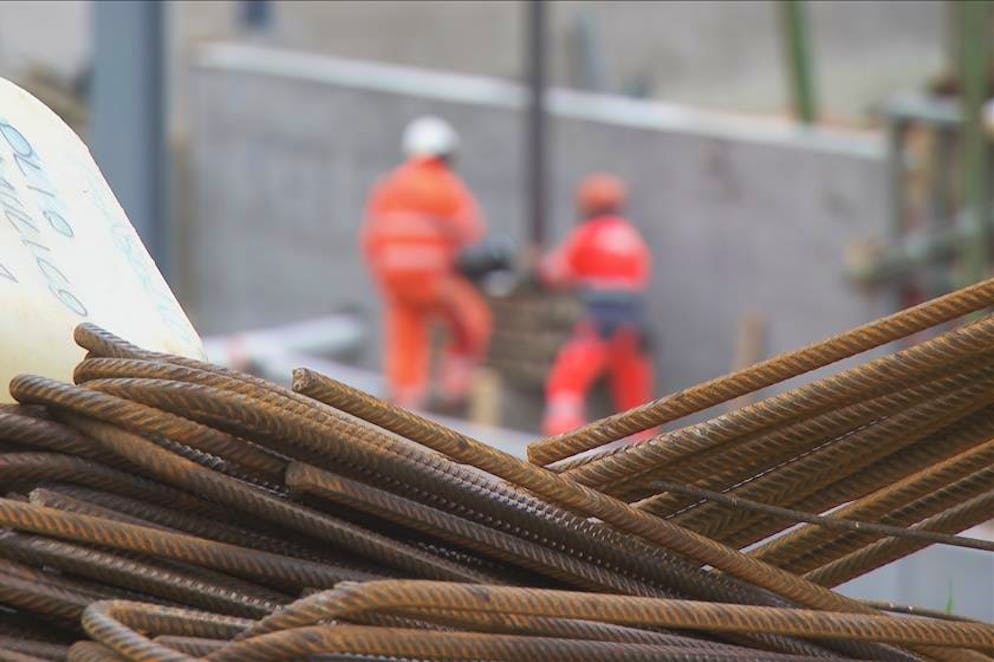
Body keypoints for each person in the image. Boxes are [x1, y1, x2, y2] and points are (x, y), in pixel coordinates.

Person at [361, 117, 492, 408]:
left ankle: (405, 397)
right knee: (470, 320)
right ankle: (454, 384)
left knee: (406, 333)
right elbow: (470, 233)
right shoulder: (447, 186)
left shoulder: (389, 185)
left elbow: (371, 238)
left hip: (393, 277)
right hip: (433, 278)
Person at [539, 173, 654, 435]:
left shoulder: (586, 234)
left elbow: (556, 272)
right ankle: (646, 447)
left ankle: (562, 438)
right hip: (633, 324)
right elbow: (640, 276)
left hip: (598, 321)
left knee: (567, 381)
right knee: (635, 394)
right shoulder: (631, 237)